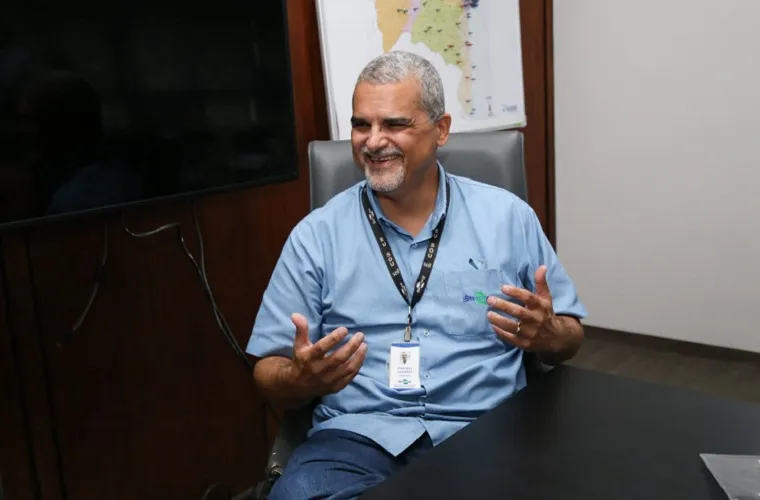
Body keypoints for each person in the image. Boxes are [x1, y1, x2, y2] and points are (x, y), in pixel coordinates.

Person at [246, 51, 587, 500]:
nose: (373, 141)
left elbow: (571, 339)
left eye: (394, 124)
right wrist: (300, 379)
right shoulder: (316, 236)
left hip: (484, 427)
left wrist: (550, 333)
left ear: (441, 129)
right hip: (357, 438)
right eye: (361, 125)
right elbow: (266, 369)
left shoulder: (507, 219)